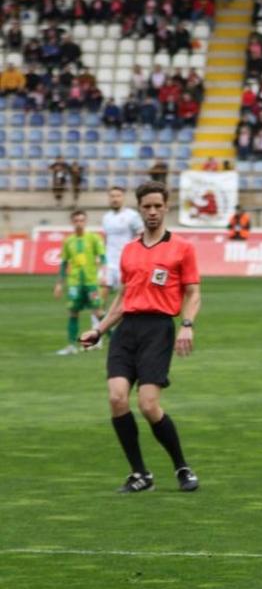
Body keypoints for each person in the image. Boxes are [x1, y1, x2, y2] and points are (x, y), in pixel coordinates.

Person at [78, 181, 201, 493]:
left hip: (158, 329)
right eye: (147, 207)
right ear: (140, 209)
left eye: (158, 206)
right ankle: (140, 475)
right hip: (127, 330)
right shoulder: (130, 251)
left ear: (167, 207)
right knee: (117, 398)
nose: (153, 212)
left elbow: (193, 292)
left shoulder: (182, 248)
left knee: (148, 405)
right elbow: (123, 297)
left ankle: (182, 467)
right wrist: (99, 329)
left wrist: (187, 324)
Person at [54, 210, 107, 355]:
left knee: (98, 312)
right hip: (75, 283)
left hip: (91, 282)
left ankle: (117, 341)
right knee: (73, 312)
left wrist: (103, 275)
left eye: (81, 220)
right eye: (76, 221)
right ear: (72, 222)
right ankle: (71, 346)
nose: (79, 223)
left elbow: (103, 258)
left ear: (86, 221)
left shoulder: (94, 238)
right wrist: (59, 283)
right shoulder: (68, 241)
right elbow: (64, 263)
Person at [100, 186, 144, 308]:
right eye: (112, 196)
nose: (115, 199)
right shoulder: (106, 217)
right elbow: (105, 239)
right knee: (100, 293)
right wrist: (100, 258)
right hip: (109, 262)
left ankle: (121, 324)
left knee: (124, 296)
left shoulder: (132, 216)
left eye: (118, 196)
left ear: (123, 198)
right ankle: (97, 325)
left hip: (125, 263)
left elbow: (142, 236)